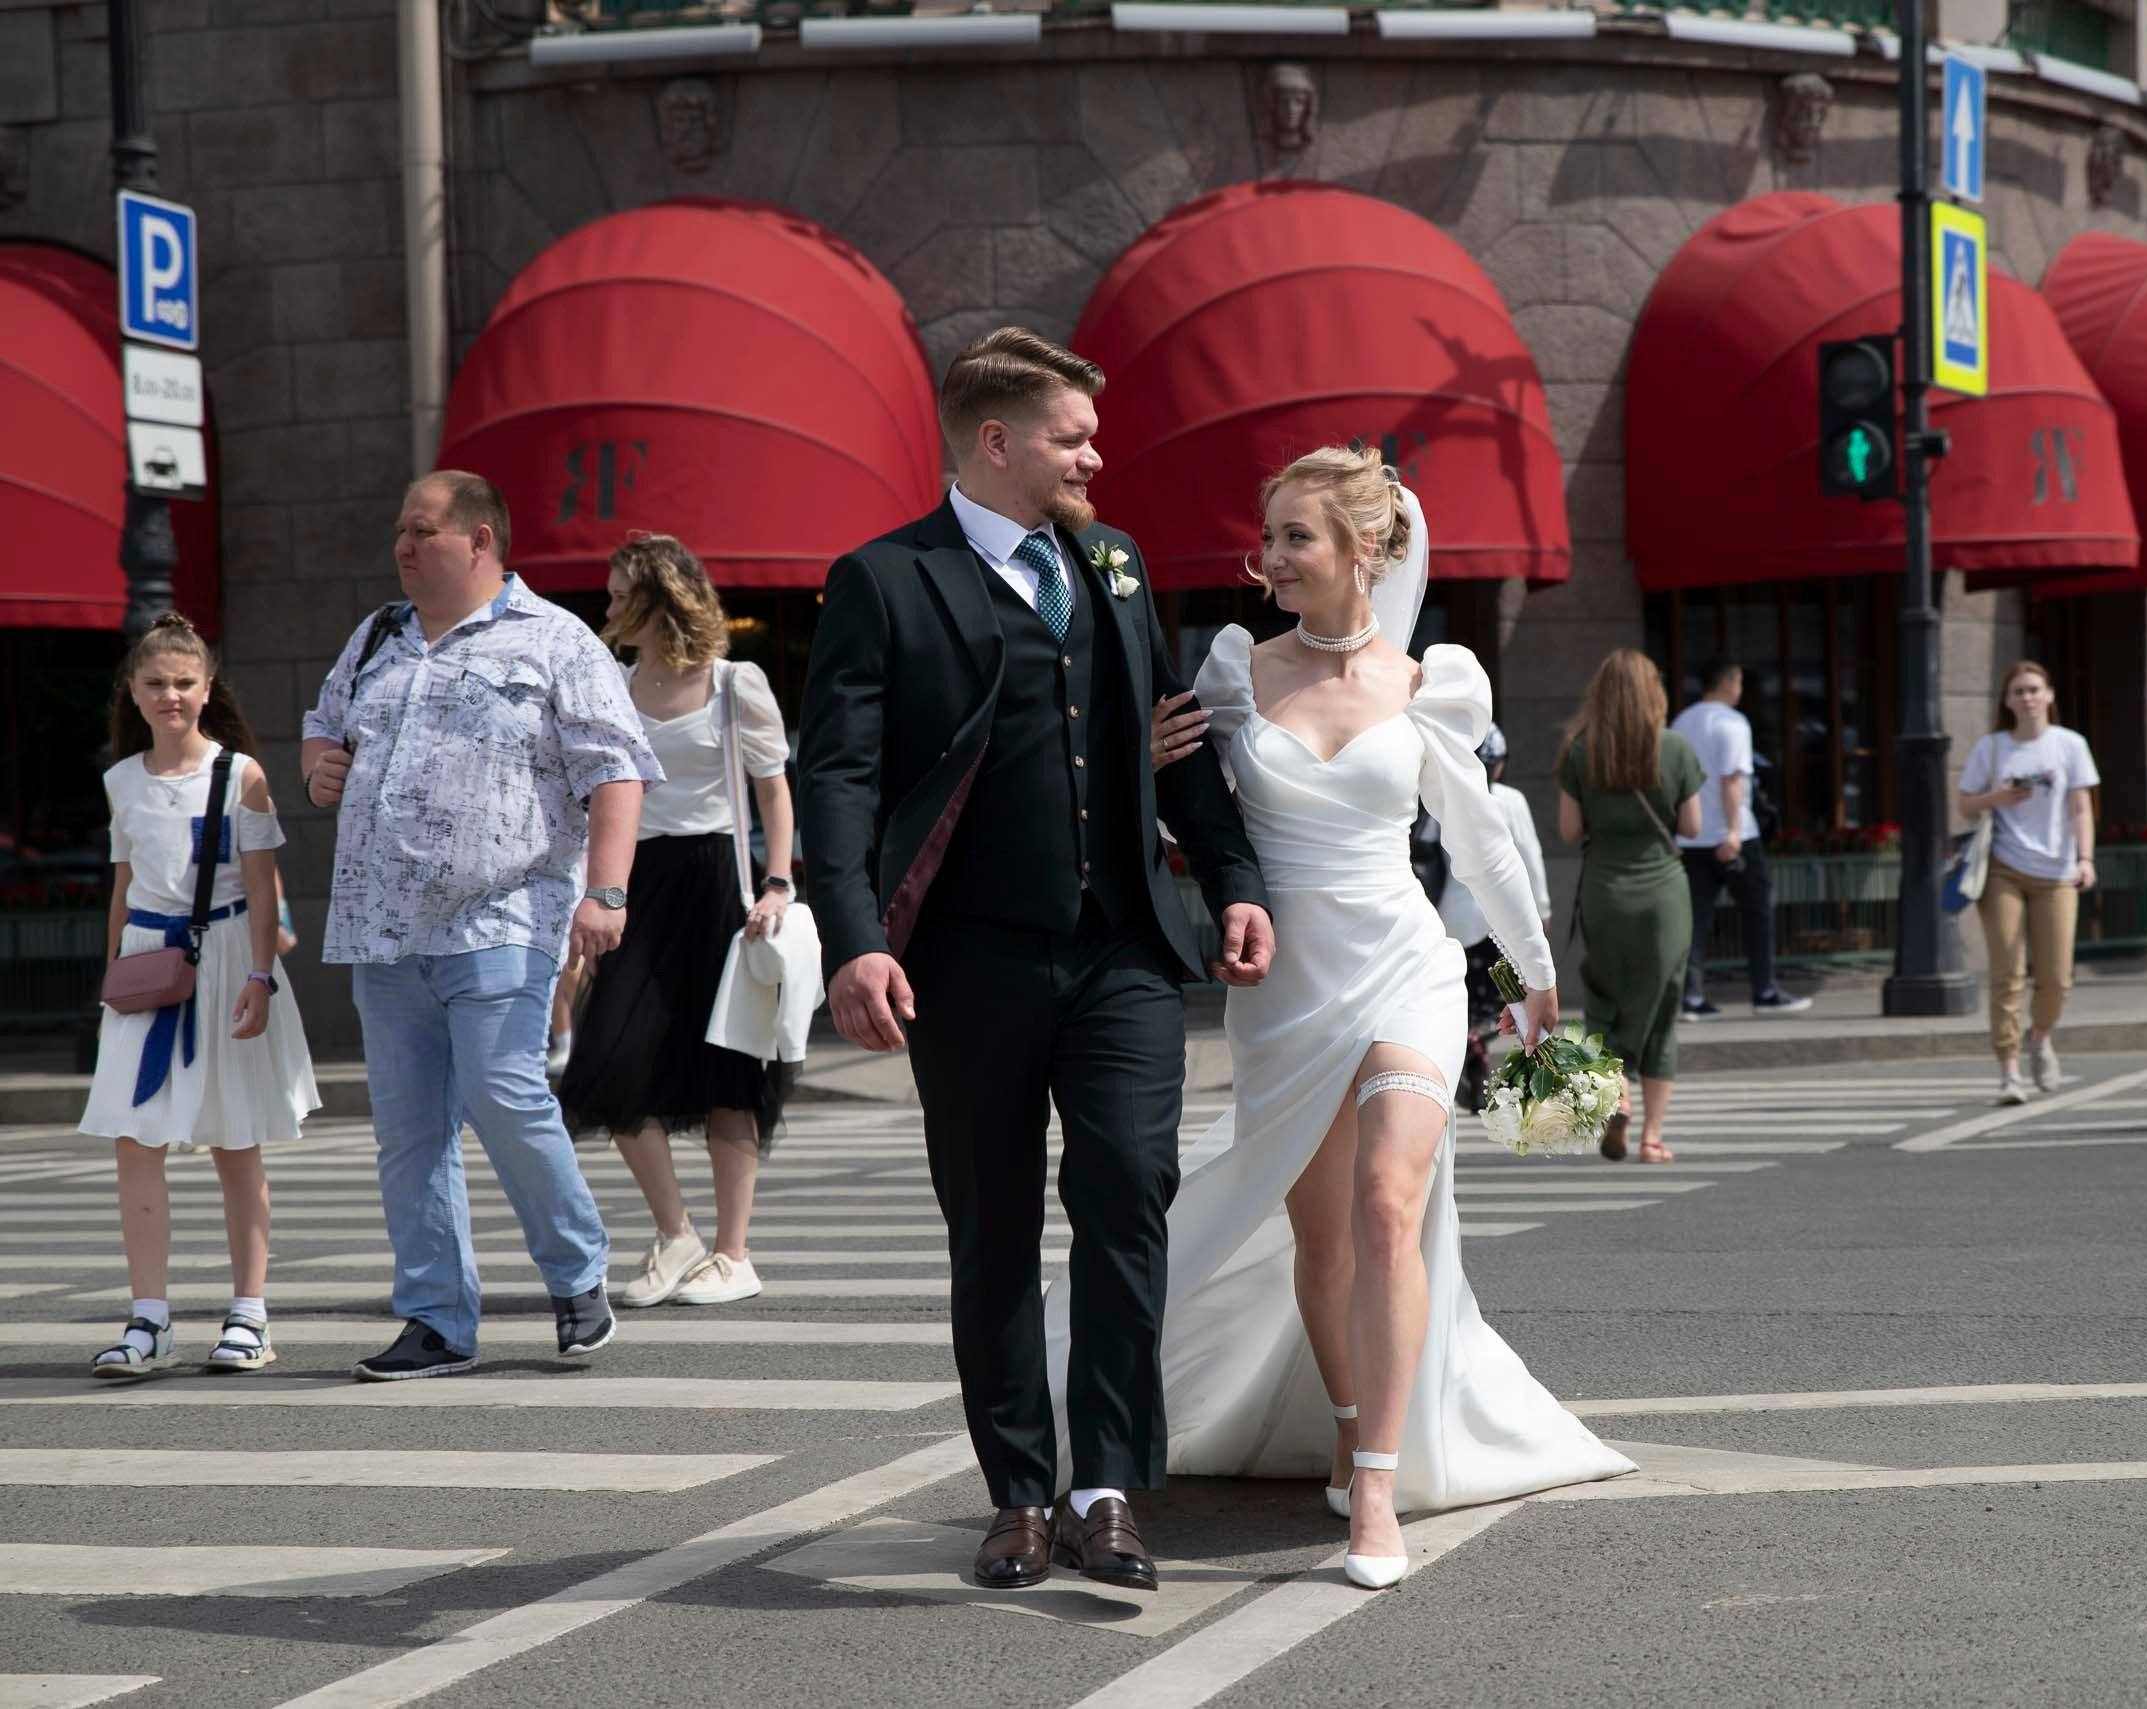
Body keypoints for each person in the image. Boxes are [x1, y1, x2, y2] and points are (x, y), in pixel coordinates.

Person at [798, 328, 1273, 1596]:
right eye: (1073, 436)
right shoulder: (885, 580)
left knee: (1128, 1192)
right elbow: (837, 777)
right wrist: (852, 940)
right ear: (997, 440)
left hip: (1121, 946)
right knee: (993, 1225)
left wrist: (1232, 878)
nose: (1093, 457)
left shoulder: (1112, 562)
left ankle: (1105, 1487)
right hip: (967, 962)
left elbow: (1172, 735)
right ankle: (1017, 1490)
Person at [1125, 445, 1629, 1592]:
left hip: (1407, 963)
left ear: (1363, 549)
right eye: (1268, 536)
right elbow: (1189, 818)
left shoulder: (1430, 681)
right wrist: (1142, 777)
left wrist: (1535, 972)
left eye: (1295, 536)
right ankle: (1349, 1419)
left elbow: (1482, 836)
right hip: (1286, 988)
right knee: (1322, 1241)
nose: (1271, 557)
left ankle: (1375, 1485)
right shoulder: (1233, 669)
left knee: (1386, 1204)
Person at [302, 471, 663, 1381]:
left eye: (422, 529)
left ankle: (576, 1274)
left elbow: (616, 770)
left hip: (503, 912)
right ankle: (436, 1319)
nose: (403, 544)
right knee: (409, 1132)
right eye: (400, 529)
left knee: (505, 1094)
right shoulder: (376, 635)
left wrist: (607, 892)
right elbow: (322, 724)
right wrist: (317, 766)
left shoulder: (556, 639)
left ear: (481, 539)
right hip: (383, 927)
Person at [559, 535, 797, 1308]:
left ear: (661, 599)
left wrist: (778, 883)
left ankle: (734, 1253)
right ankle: (677, 1232)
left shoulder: (734, 683)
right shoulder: (612, 684)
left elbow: (773, 791)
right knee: (608, 1062)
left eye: (619, 593)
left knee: (731, 1077)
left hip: (718, 883)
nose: (607, 607)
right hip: (634, 883)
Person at [79, 614, 320, 1377]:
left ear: (208, 688)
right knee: (134, 1141)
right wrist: (112, 983)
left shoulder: (240, 773)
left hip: (227, 960)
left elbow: (262, 886)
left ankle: (249, 1312)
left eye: (184, 682)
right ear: (133, 691)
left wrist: (260, 976)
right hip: (148, 966)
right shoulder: (121, 780)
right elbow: (123, 888)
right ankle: (149, 1318)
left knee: (235, 1138)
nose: (171, 694)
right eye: (155, 682)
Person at [1558, 649, 1705, 1165]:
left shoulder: (1580, 750)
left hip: (1604, 890)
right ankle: (1652, 1137)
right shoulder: (1676, 748)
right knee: (1663, 1006)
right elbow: (1692, 827)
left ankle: (1617, 1093)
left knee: (1604, 998)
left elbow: (1569, 830)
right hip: (1664, 894)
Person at [1954, 661, 2100, 1105]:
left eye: (2035, 689)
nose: (2027, 698)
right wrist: (1996, 798)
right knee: (2007, 972)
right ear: (2007, 701)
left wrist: (2086, 859)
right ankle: (2009, 1071)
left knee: (2056, 977)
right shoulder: (1992, 747)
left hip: (2057, 873)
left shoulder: (2069, 745)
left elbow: (2080, 807)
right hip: (2003, 868)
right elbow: (1964, 804)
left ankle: (2040, 1037)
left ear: (2049, 695)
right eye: (2018, 691)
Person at [1670, 659, 1810, 1020]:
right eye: (1739, 682)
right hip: (1733, 836)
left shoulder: (1682, 722)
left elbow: (1674, 781)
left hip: (1691, 835)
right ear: (1728, 682)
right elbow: (1732, 778)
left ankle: (1691, 997)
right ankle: (1764, 990)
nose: (1741, 690)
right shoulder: (1732, 722)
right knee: (1757, 912)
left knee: (1694, 919)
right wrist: (1733, 831)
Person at [1434, 723, 1548, 1111]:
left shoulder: (1440, 795)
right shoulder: (1510, 800)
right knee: (1502, 1000)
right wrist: (1542, 908)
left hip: (1446, 917)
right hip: (1495, 922)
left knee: (1458, 1000)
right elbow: (1529, 856)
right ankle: (1481, 1050)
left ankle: (1464, 1051)